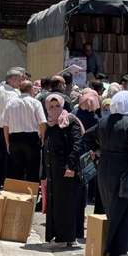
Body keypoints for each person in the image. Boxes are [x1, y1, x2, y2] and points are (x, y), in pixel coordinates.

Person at [81, 91, 128, 256]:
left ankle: (121, 252)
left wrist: (99, 150)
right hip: (125, 172)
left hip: (106, 171)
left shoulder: (103, 121)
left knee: (115, 212)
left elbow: (86, 137)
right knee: (126, 213)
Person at [43, 94, 84, 247]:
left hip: (67, 170)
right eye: (51, 107)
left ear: (63, 106)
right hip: (53, 170)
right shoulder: (50, 124)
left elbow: (76, 145)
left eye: (57, 106)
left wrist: (71, 166)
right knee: (56, 203)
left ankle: (66, 238)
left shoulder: (70, 121)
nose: (55, 109)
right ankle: (57, 236)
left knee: (66, 204)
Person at [0, 80, 46, 182]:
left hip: (15, 138)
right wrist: (42, 138)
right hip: (32, 138)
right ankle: (31, 195)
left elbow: (5, 125)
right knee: (32, 170)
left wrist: (7, 143)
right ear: (31, 89)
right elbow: (42, 122)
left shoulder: (10, 103)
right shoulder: (35, 102)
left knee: (16, 171)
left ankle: (16, 196)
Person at [0, 69, 21, 193]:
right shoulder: (13, 94)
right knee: (10, 163)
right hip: (9, 131)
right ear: (10, 79)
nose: (20, 82)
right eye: (18, 79)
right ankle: (7, 191)